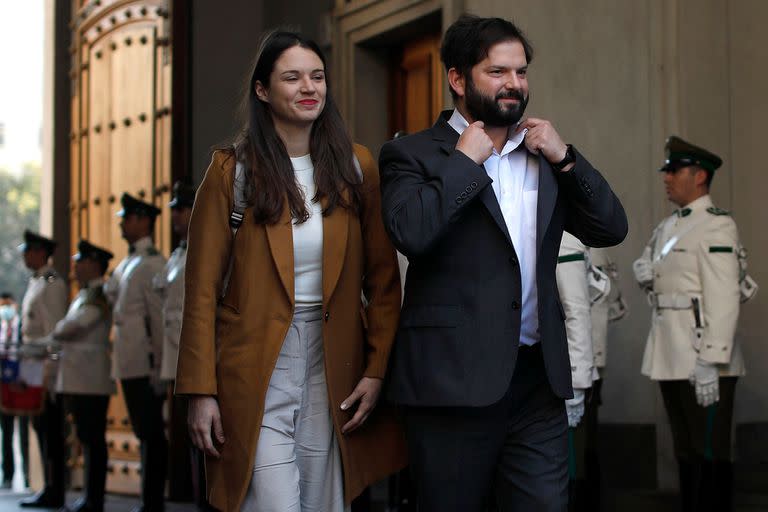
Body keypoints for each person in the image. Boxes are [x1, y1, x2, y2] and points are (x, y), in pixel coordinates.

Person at [379, 15, 628, 511]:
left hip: (536, 383)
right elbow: (411, 233)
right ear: (457, 78)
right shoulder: (411, 154)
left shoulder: (542, 154)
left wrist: (567, 158)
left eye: (520, 72)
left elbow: (610, 227)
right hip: (450, 385)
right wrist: (463, 163)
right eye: (497, 72)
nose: (514, 84)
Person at [176, 30, 406, 512]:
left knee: (326, 503)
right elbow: (200, 292)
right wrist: (200, 391)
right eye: (292, 77)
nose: (309, 87)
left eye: (317, 76)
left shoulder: (355, 166)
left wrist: (377, 368)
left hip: (333, 365)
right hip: (254, 367)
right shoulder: (230, 173)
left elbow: (382, 282)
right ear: (263, 90)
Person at [633, 136, 750, 512]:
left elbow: (724, 297)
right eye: (667, 171)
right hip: (671, 352)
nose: (666, 178)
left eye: (674, 171)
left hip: (702, 357)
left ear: (700, 176)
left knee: (710, 451)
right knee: (687, 449)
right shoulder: (670, 226)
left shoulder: (717, 227)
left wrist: (711, 360)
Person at [103, 194, 167, 512]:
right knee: (143, 430)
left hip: (144, 362)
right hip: (129, 361)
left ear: (144, 221)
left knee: (151, 432)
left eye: (127, 218)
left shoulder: (152, 263)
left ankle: (152, 500)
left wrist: (158, 365)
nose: (122, 224)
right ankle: (147, 498)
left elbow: (156, 319)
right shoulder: (130, 263)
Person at [53, 240, 116, 512]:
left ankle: (95, 498)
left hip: (91, 378)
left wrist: (59, 327)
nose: (76, 265)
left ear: (93, 264)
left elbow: (73, 326)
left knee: (93, 439)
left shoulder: (98, 293)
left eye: (80, 261)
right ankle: (90, 497)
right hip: (80, 377)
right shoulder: (84, 294)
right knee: (87, 438)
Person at [17, 230, 68, 509]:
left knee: (50, 428)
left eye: (28, 250)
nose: (24, 255)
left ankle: (55, 489)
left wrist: (49, 373)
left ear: (40, 253)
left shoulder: (51, 284)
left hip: (45, 367)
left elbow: (54, 333)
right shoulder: (36, 281)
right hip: (32, 365)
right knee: (40, 427)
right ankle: (48, 486)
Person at [153, 181, 196, 503]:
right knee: (184, 431)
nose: (176, 216)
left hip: (193, 352)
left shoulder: (204, 246)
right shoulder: (177, 254)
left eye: (182, 209)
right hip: (174, 353)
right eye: (175, 211)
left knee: (202, 435)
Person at [0, 292, 30, 490]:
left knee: (26, 432)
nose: (5, 310)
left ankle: (30, 475)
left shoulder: (23, 326)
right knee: (6, 431)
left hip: (24, 382)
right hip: (4, 385)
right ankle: (8, 474)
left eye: (7, 305)